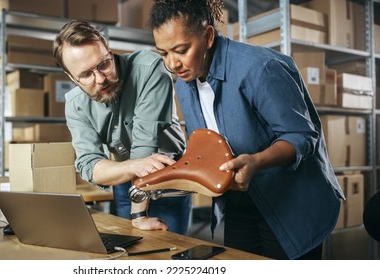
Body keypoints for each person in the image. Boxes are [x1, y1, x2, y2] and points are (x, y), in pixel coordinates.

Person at [148, 0, 345, 259]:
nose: (173, 64)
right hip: (240, 202)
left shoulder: (260, 68)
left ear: (208, 36)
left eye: (181, 50)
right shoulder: (185, 82)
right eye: (163, 54)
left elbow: (302, 136)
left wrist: (257, 161)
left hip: (289, 203)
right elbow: (207, 144)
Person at [53, 20, 191, 235]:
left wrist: (138, 216)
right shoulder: (75, 103)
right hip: (124, 180)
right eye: (86, 74)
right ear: (71, 77)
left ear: (108, 49)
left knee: (170, 254)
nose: (100, 79)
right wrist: (130, 169)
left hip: (167, 177)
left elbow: (145, 146)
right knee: (128, 253)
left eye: (103, 65)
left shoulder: (149, 68)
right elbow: (89, 164)